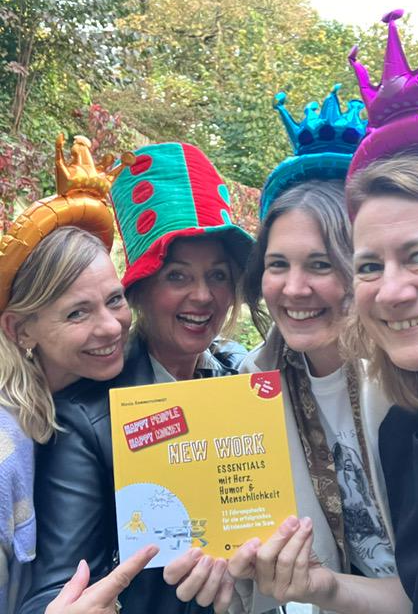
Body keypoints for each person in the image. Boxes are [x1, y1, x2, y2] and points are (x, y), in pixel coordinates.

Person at [220, 5, 418, 614]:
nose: (295, 288)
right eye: (372, 266)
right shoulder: (417, 417)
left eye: (321, 264)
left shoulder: (409, 393)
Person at [164, 88, 396, 613]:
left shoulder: (414, 376)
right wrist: (231, 570)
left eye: (320, 264)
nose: (293, 289)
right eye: (277, 265)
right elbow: (261, 547)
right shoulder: (254, 384)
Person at [19, 141, 253, 614]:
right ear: (140, 290)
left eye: (218, 275)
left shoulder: (240, 376)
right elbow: (55, 590)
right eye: (178, 277)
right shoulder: (86, 417)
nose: (203, 296)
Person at [0, 135, 157, 613]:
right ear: (21, 329)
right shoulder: (6, 446)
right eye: (77, 313)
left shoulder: (128, 386)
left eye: (114, 300)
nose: (111, 327)